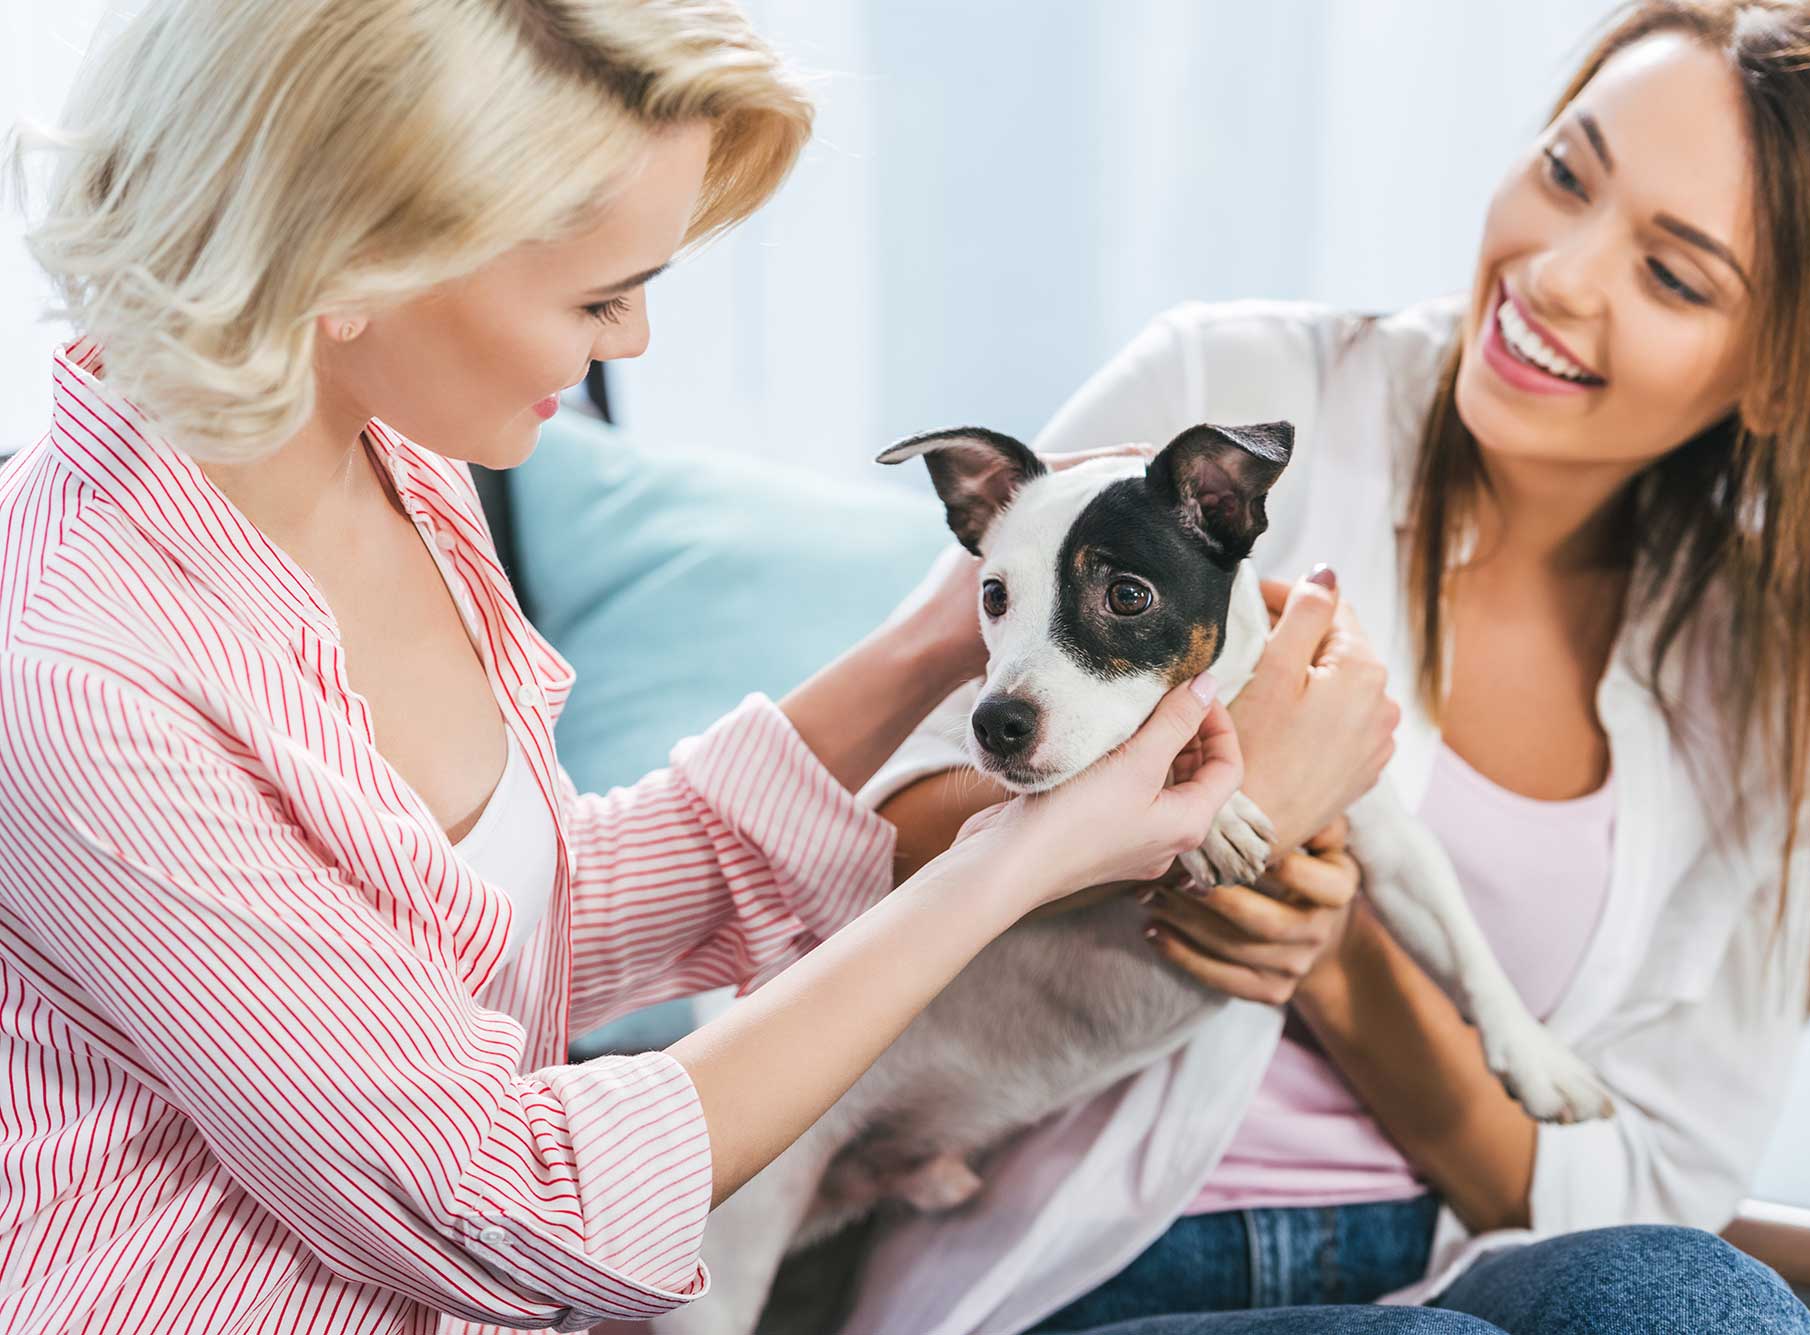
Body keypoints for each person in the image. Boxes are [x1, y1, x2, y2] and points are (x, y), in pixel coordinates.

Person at [0, 3, 1392, 1330]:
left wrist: (929, 643)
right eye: (602, 297)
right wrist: (1019, 861)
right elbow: (510, 1203)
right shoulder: (78, 675)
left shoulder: (390, 454)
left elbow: (541, 925)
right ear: (352, 263)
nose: (636, 342)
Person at [862, 2, 1810, 1332]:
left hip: (1468, 1266)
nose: (1559, 273)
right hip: (1076, 1268)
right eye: (1569, 171)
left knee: (1699, 1300)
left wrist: (1338, 960)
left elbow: (1645, 1181)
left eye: (1674, 275)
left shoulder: (1767, 681)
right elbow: (875, 834)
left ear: (1785, 380)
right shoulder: (1225, 392)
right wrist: (1147, 831)